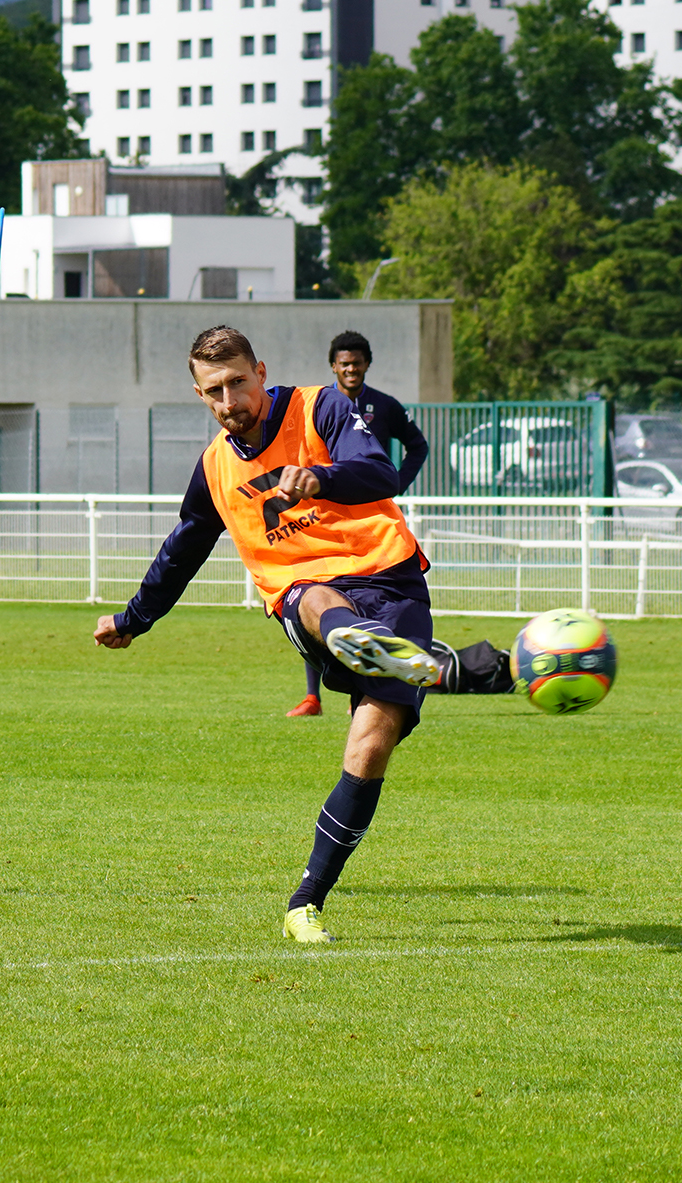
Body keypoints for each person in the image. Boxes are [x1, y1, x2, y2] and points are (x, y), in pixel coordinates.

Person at [93, 325, 441, 944]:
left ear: (260, 370)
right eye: (215, 391)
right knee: (311, 596)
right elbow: (183, 550)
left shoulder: (322, 406)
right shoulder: (214, 469)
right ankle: (361, 641)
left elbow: (379, 472)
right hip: (308, 598)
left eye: (237, 383)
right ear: (201, 396)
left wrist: (321, 478)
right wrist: (134, 618)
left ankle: (305, 903)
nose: (230, 401)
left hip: (392, 581)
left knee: (370, 746)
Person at [287, 330, 430, 717]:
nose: (351, 369)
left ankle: (365, 694)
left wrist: (397, 482)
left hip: (371, 520)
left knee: (367, 602)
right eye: (344, 363)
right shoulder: (317, 407)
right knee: (315, 593)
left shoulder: (384, 406)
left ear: (368, 364)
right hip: (323, 517)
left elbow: (419, 445)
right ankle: (312, 696)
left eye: (357, 363)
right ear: (333, 366)